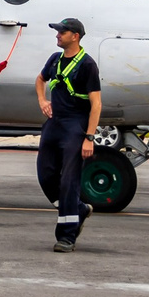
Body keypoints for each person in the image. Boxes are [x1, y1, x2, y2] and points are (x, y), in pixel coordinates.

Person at [35, 18, 104, 250]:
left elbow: (96, 105)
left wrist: (89, 137)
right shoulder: (54, 60)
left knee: (69, 181)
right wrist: (42, 100)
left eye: (61, 32)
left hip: (76, 126)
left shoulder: (87, 65)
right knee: (45, 175)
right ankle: (78, 208)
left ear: (75, 36)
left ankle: (66, 236)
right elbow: (40, 79)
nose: (57, 35)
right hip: (54, 124)